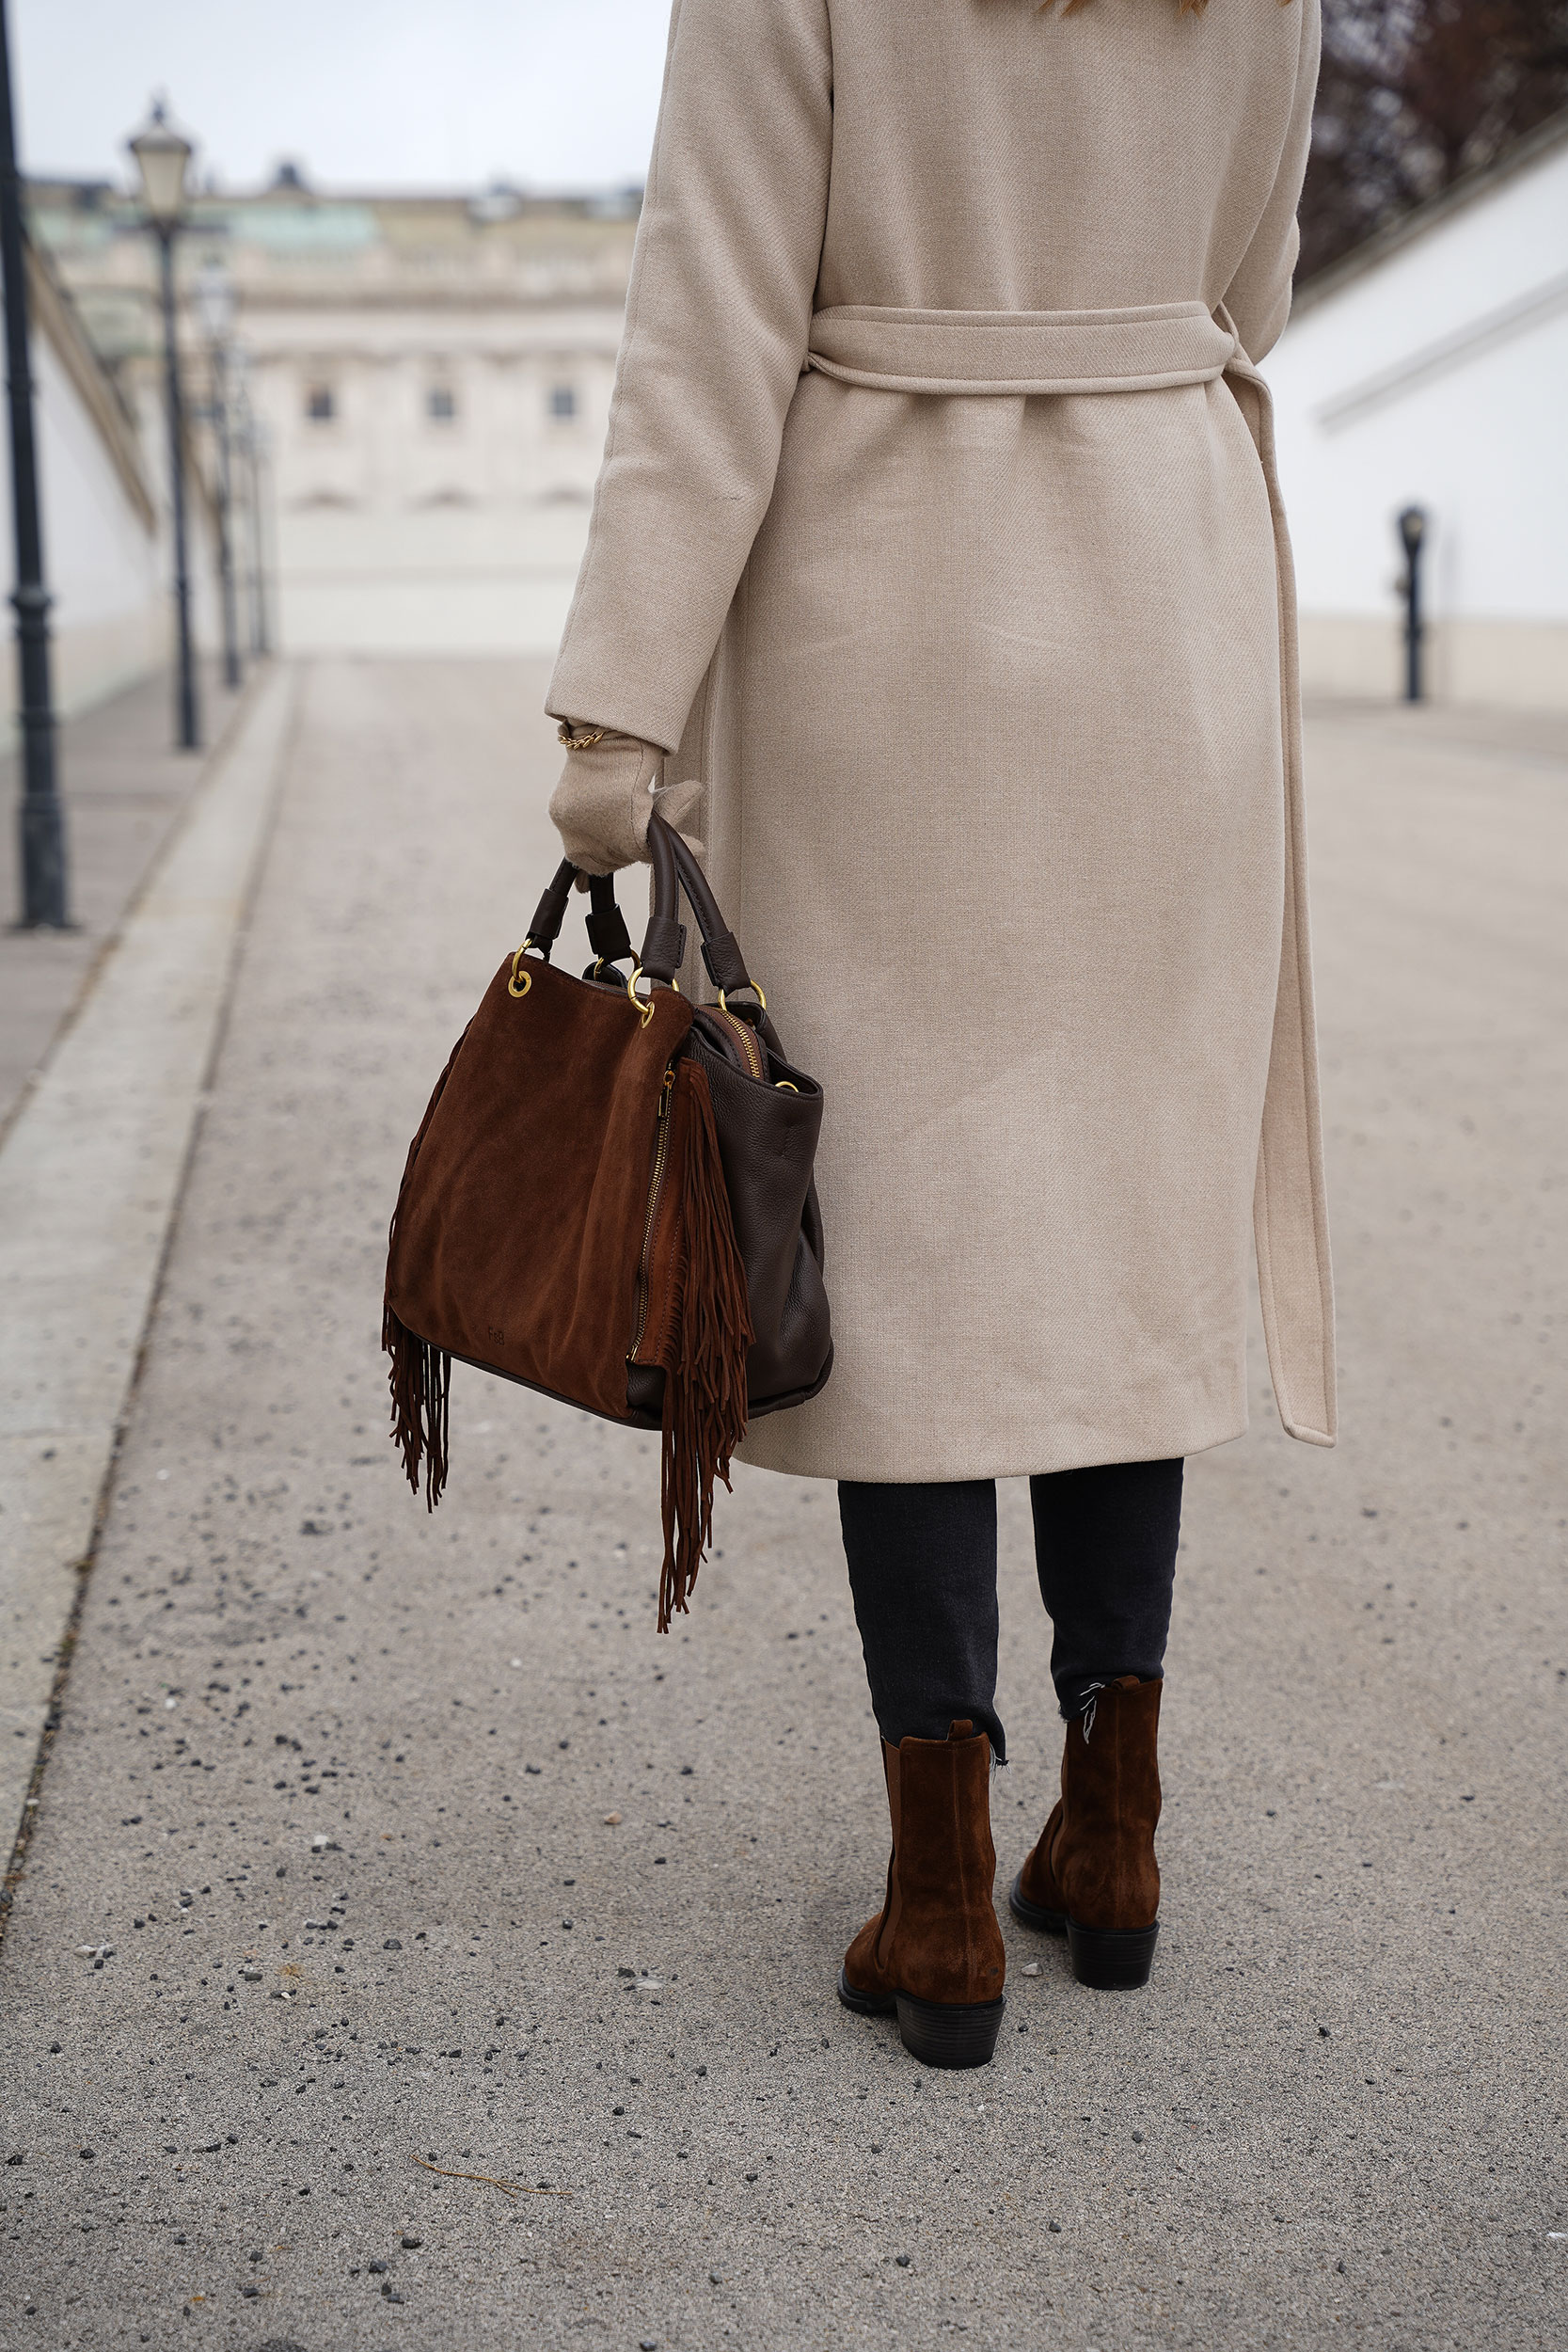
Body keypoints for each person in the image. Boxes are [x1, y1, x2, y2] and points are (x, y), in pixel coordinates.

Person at [546, 0, 1335, 2071]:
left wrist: (616, 710)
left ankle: (937, 1884)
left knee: (893, 1248)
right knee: (1117, 1215)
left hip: (882, 626)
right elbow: (1247, 290)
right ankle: (1116, 1822)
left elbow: (705, 331)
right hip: (1166, 612)